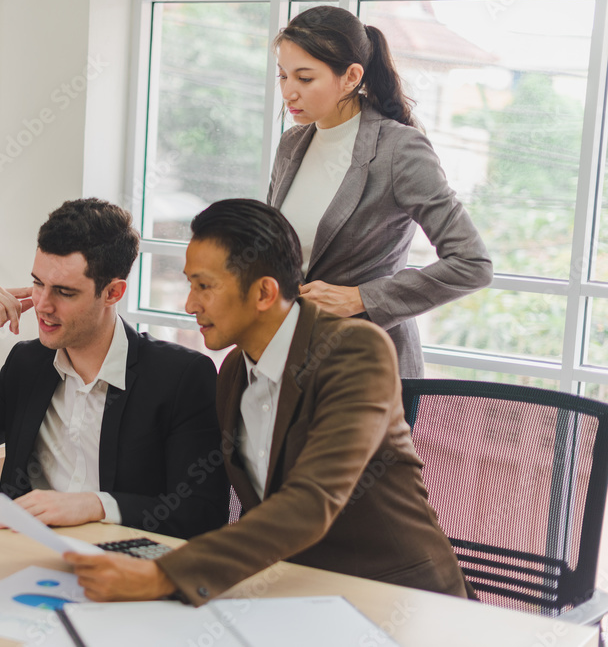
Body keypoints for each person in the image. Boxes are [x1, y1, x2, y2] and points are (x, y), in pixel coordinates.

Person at [66, 199, 470, 603]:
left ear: (263, 293)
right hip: (296, 594)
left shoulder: (354, 352)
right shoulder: (233, 373)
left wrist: (165, 575)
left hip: (395, 596)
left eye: (204, 286)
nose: (190, 304)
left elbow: (311, 501)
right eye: (190, 284)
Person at [0, 198, 229, 539]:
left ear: (112, 293)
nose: (43, 306)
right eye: (38, 284)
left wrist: (97, 505)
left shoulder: (181, 377)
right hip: (21, 553)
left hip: (121, 565)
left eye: (64, 292)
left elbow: (202, 514)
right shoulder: (28, 365)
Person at [269, 5, 492, 377]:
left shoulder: (399, 150)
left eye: (305, 78)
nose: (288, 91)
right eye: (282, 76)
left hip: (366, 367)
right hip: (292, 359)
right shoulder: (292, 144)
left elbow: (472, 265)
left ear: (351, 76)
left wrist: (360, 297)